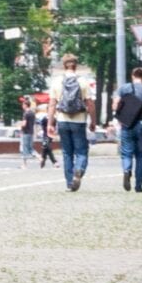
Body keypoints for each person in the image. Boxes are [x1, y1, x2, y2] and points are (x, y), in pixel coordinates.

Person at [47, 54, 93, 191]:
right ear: (76, 65)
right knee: (82, 151)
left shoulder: (56, 82)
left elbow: (52, 104)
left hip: (62, 120)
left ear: (63, 65)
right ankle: (79, 170)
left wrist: (50, 124)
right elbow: (90, 103)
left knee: (67, 153)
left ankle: (69, 183)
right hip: (79, 120)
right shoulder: (83, 81)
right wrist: (93, 121)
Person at [113, 66, 142, 193]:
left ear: (133, 76)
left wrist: (121, 115)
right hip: (141, 124)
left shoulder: (123, 88)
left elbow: (115, 105)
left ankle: (126, 170)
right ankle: (138, 186)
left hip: (127, 124)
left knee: (126, 152)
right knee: (140, 156)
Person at [18, 100, 37, 167]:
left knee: (24, 148)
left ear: (26, 105)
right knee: (30, 148)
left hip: (25, 132)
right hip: (31, 132)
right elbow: (33, 123)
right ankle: (40, 158)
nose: (22, 106)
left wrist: (20, 125)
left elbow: (24, 124)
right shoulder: (32, 113)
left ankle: (24, 164)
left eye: (23, 105)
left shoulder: (26, 113)